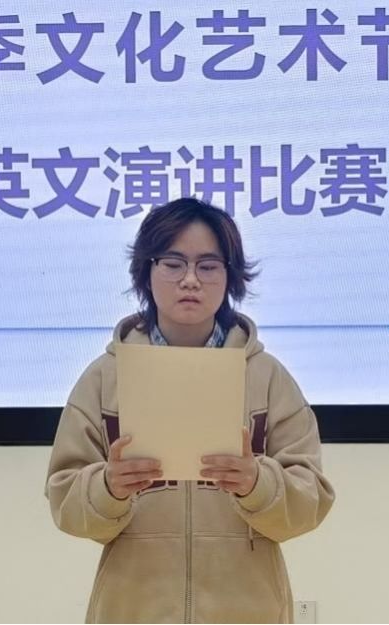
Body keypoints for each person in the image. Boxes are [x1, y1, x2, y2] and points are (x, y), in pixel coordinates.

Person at [45, 197, 335, 623]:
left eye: (208, 265)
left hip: (247, 608)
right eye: (173, 263)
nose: (190, 280)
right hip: (133, 609)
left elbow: (311, 501)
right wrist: (108, 486)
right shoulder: (106, 378)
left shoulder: (267, 377)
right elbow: (64, 500)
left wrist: (257, 483)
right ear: (146, 271)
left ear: (230, 276)